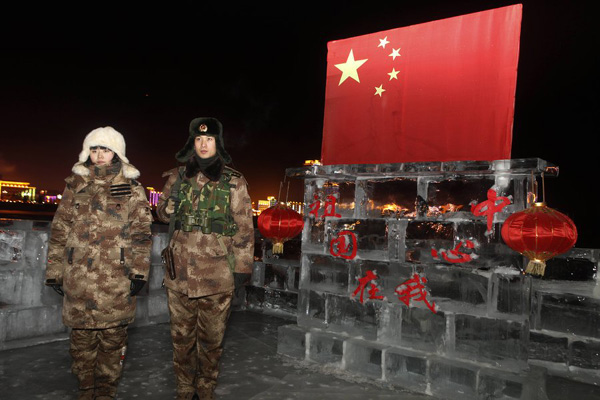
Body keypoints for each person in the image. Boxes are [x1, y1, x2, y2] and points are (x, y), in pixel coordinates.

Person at [45, 126, 153, 400]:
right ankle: (85, 391)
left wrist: (139, 273)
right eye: (94, 149)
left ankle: (106, 393)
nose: (99, 155)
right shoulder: (75, 185)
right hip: (78, 280)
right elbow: (60, 231)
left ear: (116, 152)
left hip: (115, 281)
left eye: (105, 149)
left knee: (113, 343)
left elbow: (141, 235)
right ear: (86, 152)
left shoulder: (132, 189)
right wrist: (55, 271)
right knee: (80, 344)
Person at [156, 117, 254, 400]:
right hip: (179, 274)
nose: (203, 144)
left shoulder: (234, 181)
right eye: (198, 139)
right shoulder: (176, 177)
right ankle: (185, 389)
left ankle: (206, 389)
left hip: (217, 274)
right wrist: (167, 208)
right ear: (192, 143)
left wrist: (242, 268)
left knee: (211, 341)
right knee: (180, 339)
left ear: (217, 144)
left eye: (209, 139)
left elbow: (245, 227)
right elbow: (162, 214)